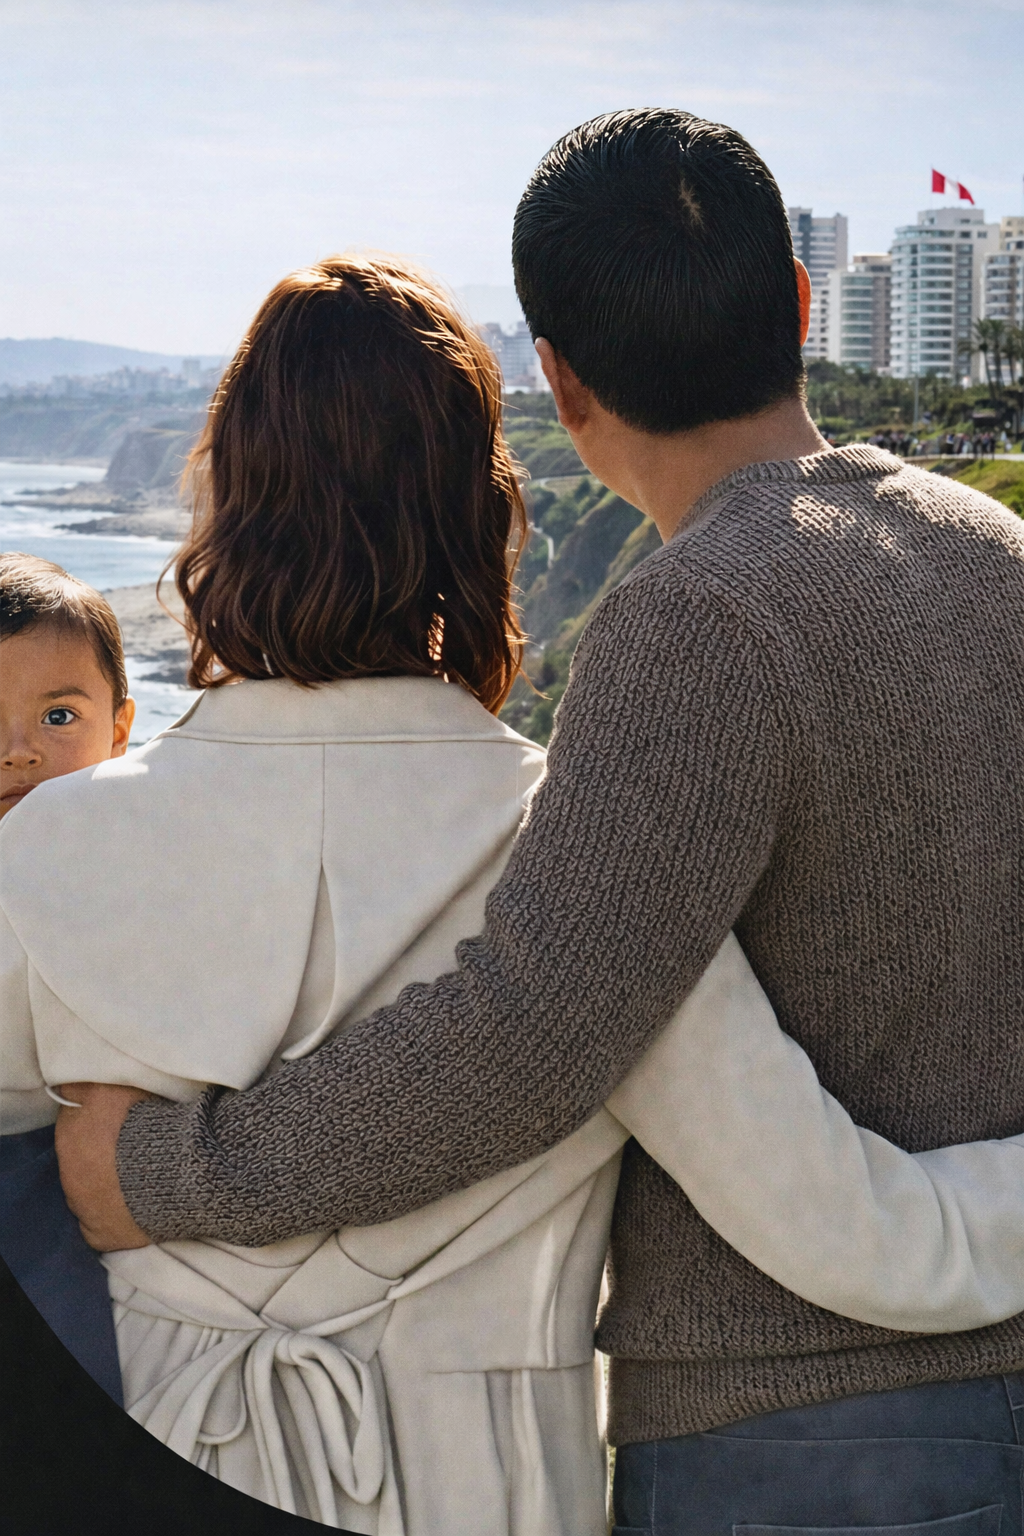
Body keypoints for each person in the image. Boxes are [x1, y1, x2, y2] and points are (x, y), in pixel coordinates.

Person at [57, 111, 1024, 1530]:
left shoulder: (697, 618)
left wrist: (166, 1174)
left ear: (558, 383)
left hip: (805, 1430)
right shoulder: (1002, 560)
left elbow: (531, 1031)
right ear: (803, 307)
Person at [0, 553, 135, 1404]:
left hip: (58, 1187)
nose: (18, 752)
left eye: (58, 716)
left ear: (121, 730)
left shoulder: (131, 859)